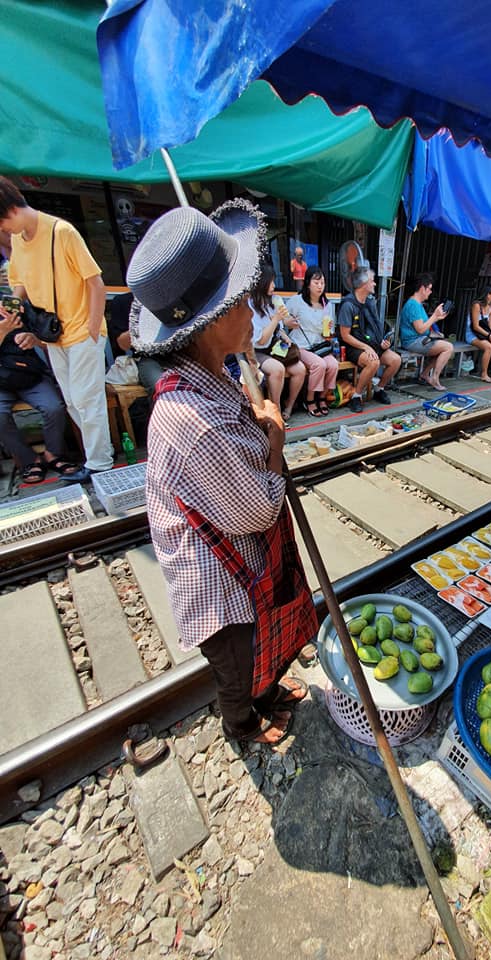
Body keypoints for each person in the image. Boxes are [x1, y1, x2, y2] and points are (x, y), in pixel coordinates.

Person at [126, 199, 317, 745]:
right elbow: (258, 509)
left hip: (232, 549)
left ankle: (270, 690)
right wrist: (275, 439)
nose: (252, 316)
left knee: (264, 644)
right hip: (215, 576)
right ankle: (242, 723)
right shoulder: (197, 421)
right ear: (210, 327)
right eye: (242, 305)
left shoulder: (212, 373)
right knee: (236, 661)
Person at [0, 176, 114, 484]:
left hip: (82, 330)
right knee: (75, 400)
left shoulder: (61, 231)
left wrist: (92, 328)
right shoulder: (20, 242)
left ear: (8, 210)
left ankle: (99, 463)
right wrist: (10, 307)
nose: (2, 232)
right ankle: (96, 458)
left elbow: (96, 283)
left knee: (87, 399)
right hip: (52, 336)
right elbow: (19, 286)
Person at [0, 307, 78, 482]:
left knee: (54, 407)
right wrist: (2, 331)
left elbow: (51, 338)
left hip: (28, 374)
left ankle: (54, 454)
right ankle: (29, 460)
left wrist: (35, 339)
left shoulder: (16, 306)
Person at [337, 266, 401, 413]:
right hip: (352, 346)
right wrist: (366, 347)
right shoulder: (348, 304)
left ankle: (379, 389)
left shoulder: (370, 302)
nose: (374, 284)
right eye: (372, 281)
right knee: (374, 362)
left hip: (371, 344)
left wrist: (383, 343)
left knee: (395, 360)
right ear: (363, 284)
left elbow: (374, 328)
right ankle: (356, 396)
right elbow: (345, 335)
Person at [248, 263, 306, 422]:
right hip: (256, 351)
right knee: (277, 369)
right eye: (271, 281)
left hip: (273, 348)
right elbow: (260, 340)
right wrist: (275, 319)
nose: (274, 285)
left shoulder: (275, 300)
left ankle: (289, 406)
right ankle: (276, 412)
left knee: (300, 369)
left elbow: (278, 329)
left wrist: (284, 335)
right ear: (261, 282)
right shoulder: (250, 305)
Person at [286, 267, 338, 417]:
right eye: (316, 282)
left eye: (322, 282)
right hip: (301, 345)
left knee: (333, 365)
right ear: (308, 283)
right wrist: (289, 322)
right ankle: (309, 400)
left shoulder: (327, 306)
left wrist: (329, 332)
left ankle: (321, 397)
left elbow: (329, 333)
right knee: (319, 364)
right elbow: (283, 321)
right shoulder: (297, 301)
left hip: (320, 346)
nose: (320, 286)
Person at [398, 272, 454, 390]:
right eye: (429, 289)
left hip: (419, 339)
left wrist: (438, 317)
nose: (430, 292)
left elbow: (424, 325)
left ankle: (425, 374)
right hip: (412, 341)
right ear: (423, 288)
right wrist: (434, 316)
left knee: (442, 345)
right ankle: (434, 378)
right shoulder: (413, 304)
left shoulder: (417, 304)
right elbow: (420, 329)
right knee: (448, 347)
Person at [107, 290, 164, 391]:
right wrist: (144, 320)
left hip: (183, 355)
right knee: (160, 384)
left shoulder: (173, 296)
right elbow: (122, 344)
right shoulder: (124, 301)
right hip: (149, 358)